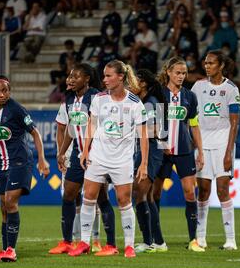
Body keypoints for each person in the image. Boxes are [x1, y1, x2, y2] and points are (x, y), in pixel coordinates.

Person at [68, 60, 149, 258]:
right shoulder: (99, 99)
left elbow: (143, 135)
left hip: (122, 160)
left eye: (108, 76)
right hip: (98, 156)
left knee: (124, 200)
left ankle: (129, 245)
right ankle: (84, 243)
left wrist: (144, 163)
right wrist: (86, 150)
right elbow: (92, 125)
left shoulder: (135, 103)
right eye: (103, 75)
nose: (104, 80)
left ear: (120, 77)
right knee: (88, 197)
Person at [50, 64, 116, 255]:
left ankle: (110, 245)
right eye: (69, 76)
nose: (70, 79)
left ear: (87, 79)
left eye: (75, 76)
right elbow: (71, 128)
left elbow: (105, 126)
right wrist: (61, 152)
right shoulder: (69, 98)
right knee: (68, 196)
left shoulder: (98, 97)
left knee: (101, 199)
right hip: (77, 154)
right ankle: (67, 242)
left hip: (97, 155)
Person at [0, 75, 50, 262]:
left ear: (9, 91)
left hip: (20, 161)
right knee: (3, 206)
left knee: (11, 202)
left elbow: (35, 133)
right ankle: (4, 249)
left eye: (5, 90)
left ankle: (11, 250)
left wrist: (42, 160)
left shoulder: (17, 109)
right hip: (3, 164)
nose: (2, 94)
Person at [153, 56, 205, 252]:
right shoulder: (158, 94)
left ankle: (193, 240)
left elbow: (193, 125)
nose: (181, 76)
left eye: (184, 73)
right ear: (168, 72)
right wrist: (160, 142)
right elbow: (155, 122)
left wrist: (200, 151)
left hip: (183, 150)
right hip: (161, 151)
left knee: (190, 193)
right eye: (178, 73)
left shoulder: (190, 97)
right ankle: (157, 240)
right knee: (155, 193)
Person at [190, 50, 240, 250]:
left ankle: (231, 239)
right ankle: (200, 238)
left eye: (211, 63)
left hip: (222, 144)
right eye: (206, 63)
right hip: (202, 144)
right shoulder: (198, 86)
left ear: (221, 66)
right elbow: (192, 116)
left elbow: (234, 124)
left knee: (222, 190)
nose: (207, 66)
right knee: (203, 191)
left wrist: (229, 152)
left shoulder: (231, 89)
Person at [130, 69, 168, 253]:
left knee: (139, 193)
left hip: (152, 149)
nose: (130, 85)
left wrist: (129, 132)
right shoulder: (147, 102)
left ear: (143, 84)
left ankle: (149, 242)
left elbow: (157, 131)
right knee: (147, 195)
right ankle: (158, 242)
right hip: (152, 149)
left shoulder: (150, 104)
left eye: (134, 81)